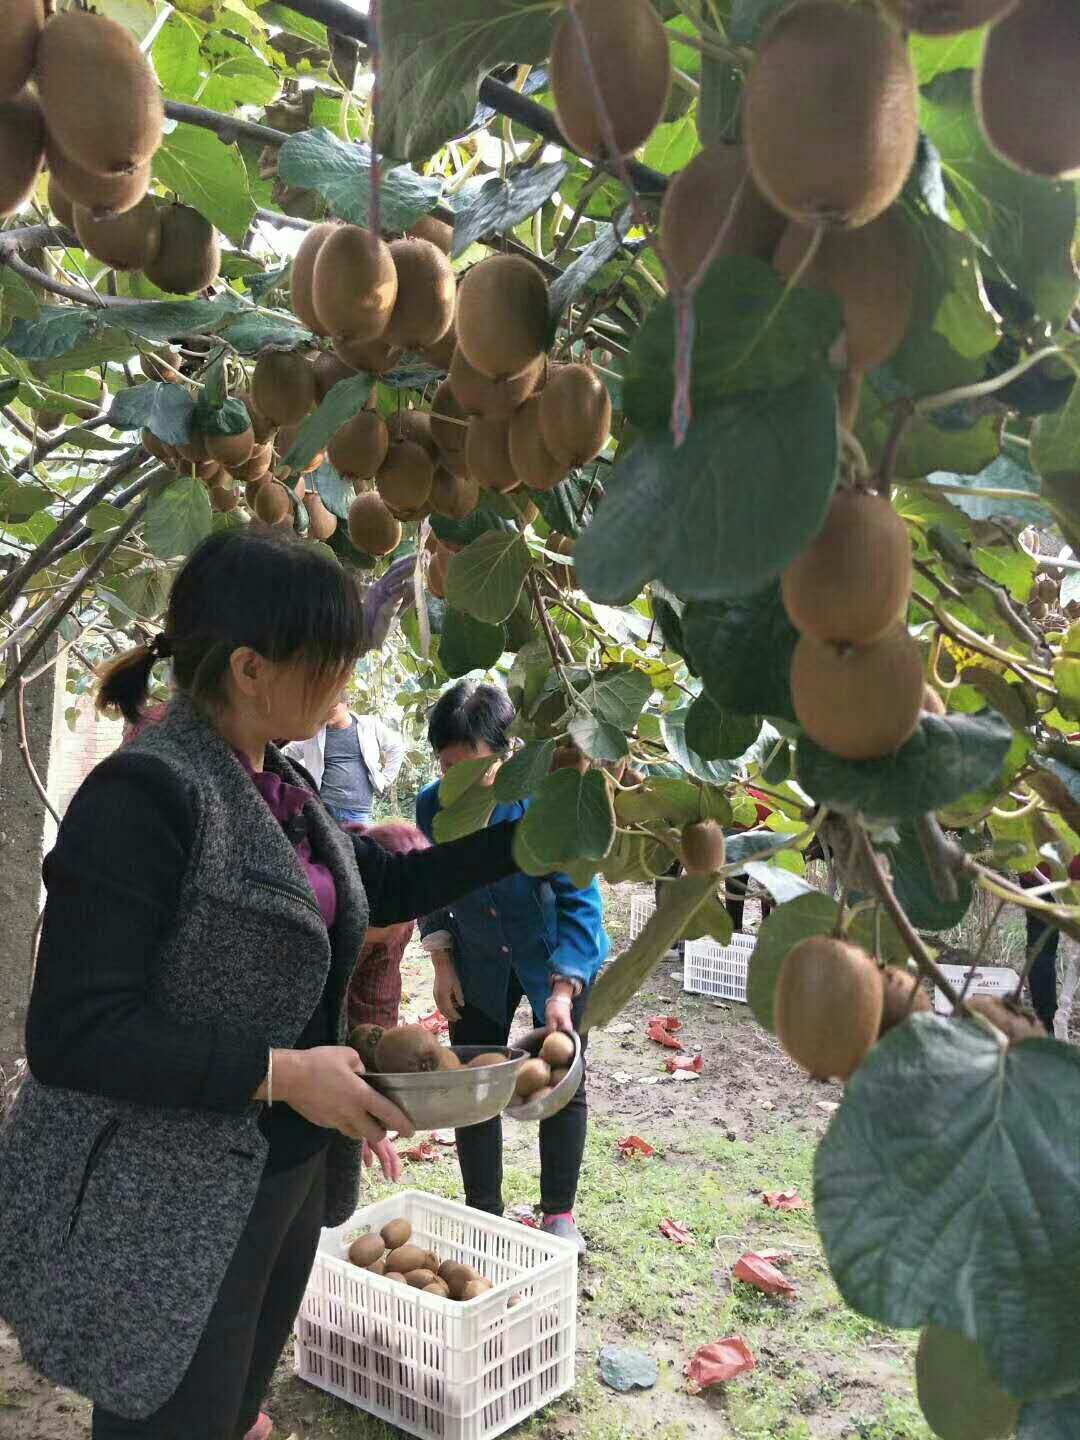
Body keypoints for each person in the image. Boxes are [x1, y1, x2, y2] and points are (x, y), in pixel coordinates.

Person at [0, 528, 527, 1440]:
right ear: (251, 667)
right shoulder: (145, 796)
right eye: (331, 663)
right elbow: (76, 1033)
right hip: (164, 1201)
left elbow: (375, 883)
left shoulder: (272, 778)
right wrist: (284, 1073)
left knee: (231, 1407)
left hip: (278, 1174)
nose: (345, 690)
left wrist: (534, 837)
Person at [415, 680, 608, 1255]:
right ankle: (484, 1214)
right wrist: (442, 961)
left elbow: (580, 898)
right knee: (471, 1082)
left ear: (507, 752)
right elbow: (431, 886)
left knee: (563, 1076)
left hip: (552, 951)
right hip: (476, 955)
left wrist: (563, 988)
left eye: (469, 765)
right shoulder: (433, 805)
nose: (457, 781)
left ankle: (558, 1215)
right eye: (446, 766)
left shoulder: (550, 801)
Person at [344, 820, 431, 1034]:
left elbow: (378, 999)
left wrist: (380, 1049)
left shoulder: (400, 914)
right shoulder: (318, 908)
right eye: (391, 923)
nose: (400, 932)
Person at [284, 692, 404, 825]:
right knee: (327, 845)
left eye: (333, 706)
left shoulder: (369, 726)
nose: (327, 711)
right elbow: (288, 752)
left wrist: (386, 778)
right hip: (324, 806)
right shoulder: (315, 733)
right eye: (324, 707)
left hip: (358, 810)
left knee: (359, 845)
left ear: (348, 705)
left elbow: (396, 747)